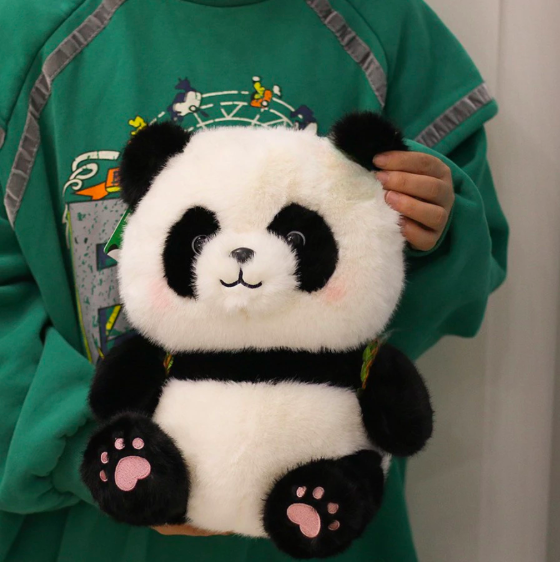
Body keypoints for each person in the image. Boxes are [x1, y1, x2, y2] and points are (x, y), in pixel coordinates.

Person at [0, 0, 508, 561]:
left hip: (326, 516)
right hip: (88, 531)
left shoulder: (387, 29)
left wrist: (432, 225)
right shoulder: (28, 36)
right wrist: (94, 449)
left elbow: (462, 271)